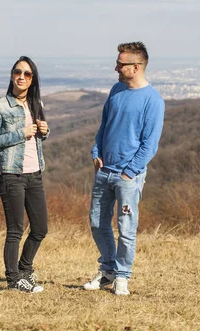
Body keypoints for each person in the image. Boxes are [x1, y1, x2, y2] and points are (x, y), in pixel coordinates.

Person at [83, 42, 165, 296]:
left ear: (136, 67)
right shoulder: (117, 89)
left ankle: (122, 276)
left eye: (121, 64)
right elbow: (104, 125)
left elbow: (149, 144)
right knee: (98, 223)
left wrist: (129, 172)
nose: (116, 68)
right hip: (104, 171)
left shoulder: (153, 100)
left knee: (126, 229)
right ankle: (107, 269)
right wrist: (97, 152)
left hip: (128, 176)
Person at [0, 56, 50, 293]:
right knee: (15, 229)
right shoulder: (0, 106)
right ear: (12, 76)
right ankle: (13, 279)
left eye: (27, 74)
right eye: (17, 72)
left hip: (35, 174)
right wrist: (20, 133)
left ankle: (25, 270)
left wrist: (45, 130)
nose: (22, 77)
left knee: (41, 228)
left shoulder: (36, 104)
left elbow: (39, 137)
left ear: (33, 80)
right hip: (12, 175)